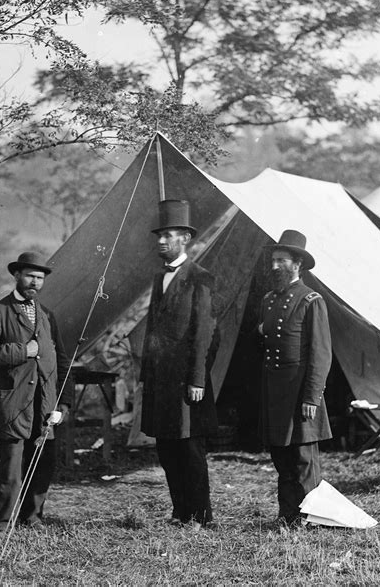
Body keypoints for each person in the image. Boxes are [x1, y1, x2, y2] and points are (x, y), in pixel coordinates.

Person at [0, 251, 73, 537]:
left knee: (42, 463)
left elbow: (64, 361)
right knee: (11, 469)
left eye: (40, 278)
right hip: (14, 404)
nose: (35, 282)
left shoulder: (47, 315)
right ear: (17, 275)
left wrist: (64, 403)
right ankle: (2, 524)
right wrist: (24, 351)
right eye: (30, 276)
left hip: (44, 405)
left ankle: (32, 517)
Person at [140, 200, 218, 529]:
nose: (160, 241)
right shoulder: (160, 279)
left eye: (168, 235)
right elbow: (152, 330)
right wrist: (146, 376)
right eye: (159, 236)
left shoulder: (201, 278)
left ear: (185, 238)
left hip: (187, 383)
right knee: (167, 449)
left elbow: (204, 334)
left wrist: (197, 380)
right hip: (160, 382)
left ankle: (201, 515)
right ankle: (180, 511)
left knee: (189, 450)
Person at [258, 230, 333, 528]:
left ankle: (310, 516)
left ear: (297, 263)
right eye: (273, 260)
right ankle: (287, 514)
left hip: (300, 392)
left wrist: (311, 397)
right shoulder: (268, 300)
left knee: (303, 459)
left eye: (281, 260)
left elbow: (321, 353)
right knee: (282, 457)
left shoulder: (311, 300)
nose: (275, 266)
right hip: (276, 392)